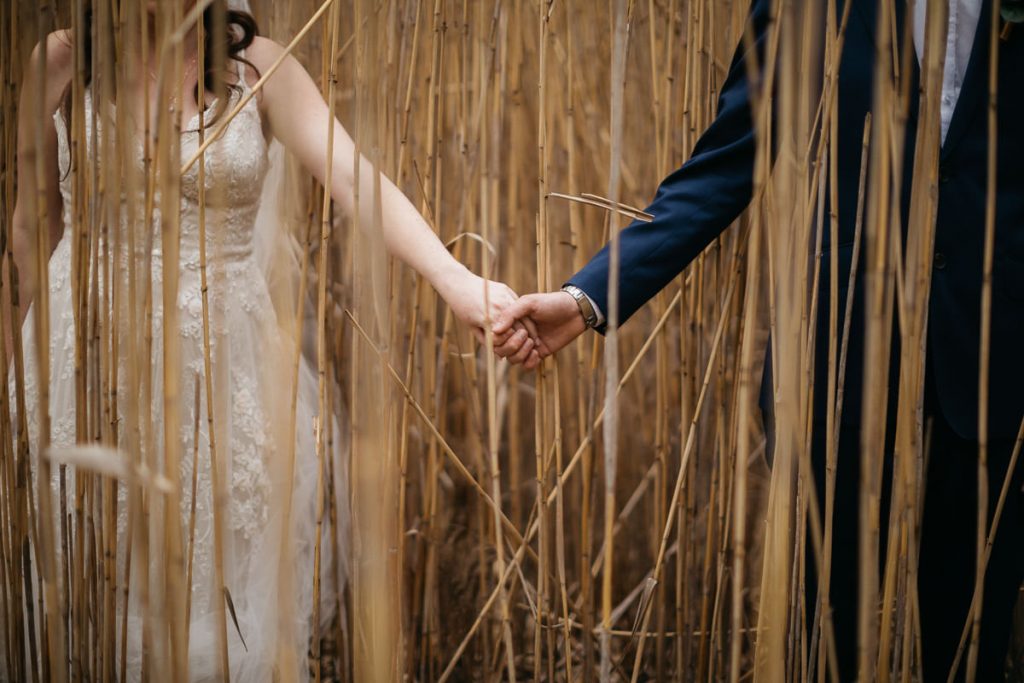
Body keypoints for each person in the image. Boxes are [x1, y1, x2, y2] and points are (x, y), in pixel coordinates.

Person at [494, 0, 1023, 680]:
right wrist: (590, 295)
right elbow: (728, 159)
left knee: (974, 637)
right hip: (837, 359)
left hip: (1001, 353)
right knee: (828, 638)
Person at [3, 1, 531, 679]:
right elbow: (28, 226)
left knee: (211, 614)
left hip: (221, 383)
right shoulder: (60, 61)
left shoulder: (261, 69)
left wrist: (456, 280)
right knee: (79, 597)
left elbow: (351, 177)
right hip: (79, 363)